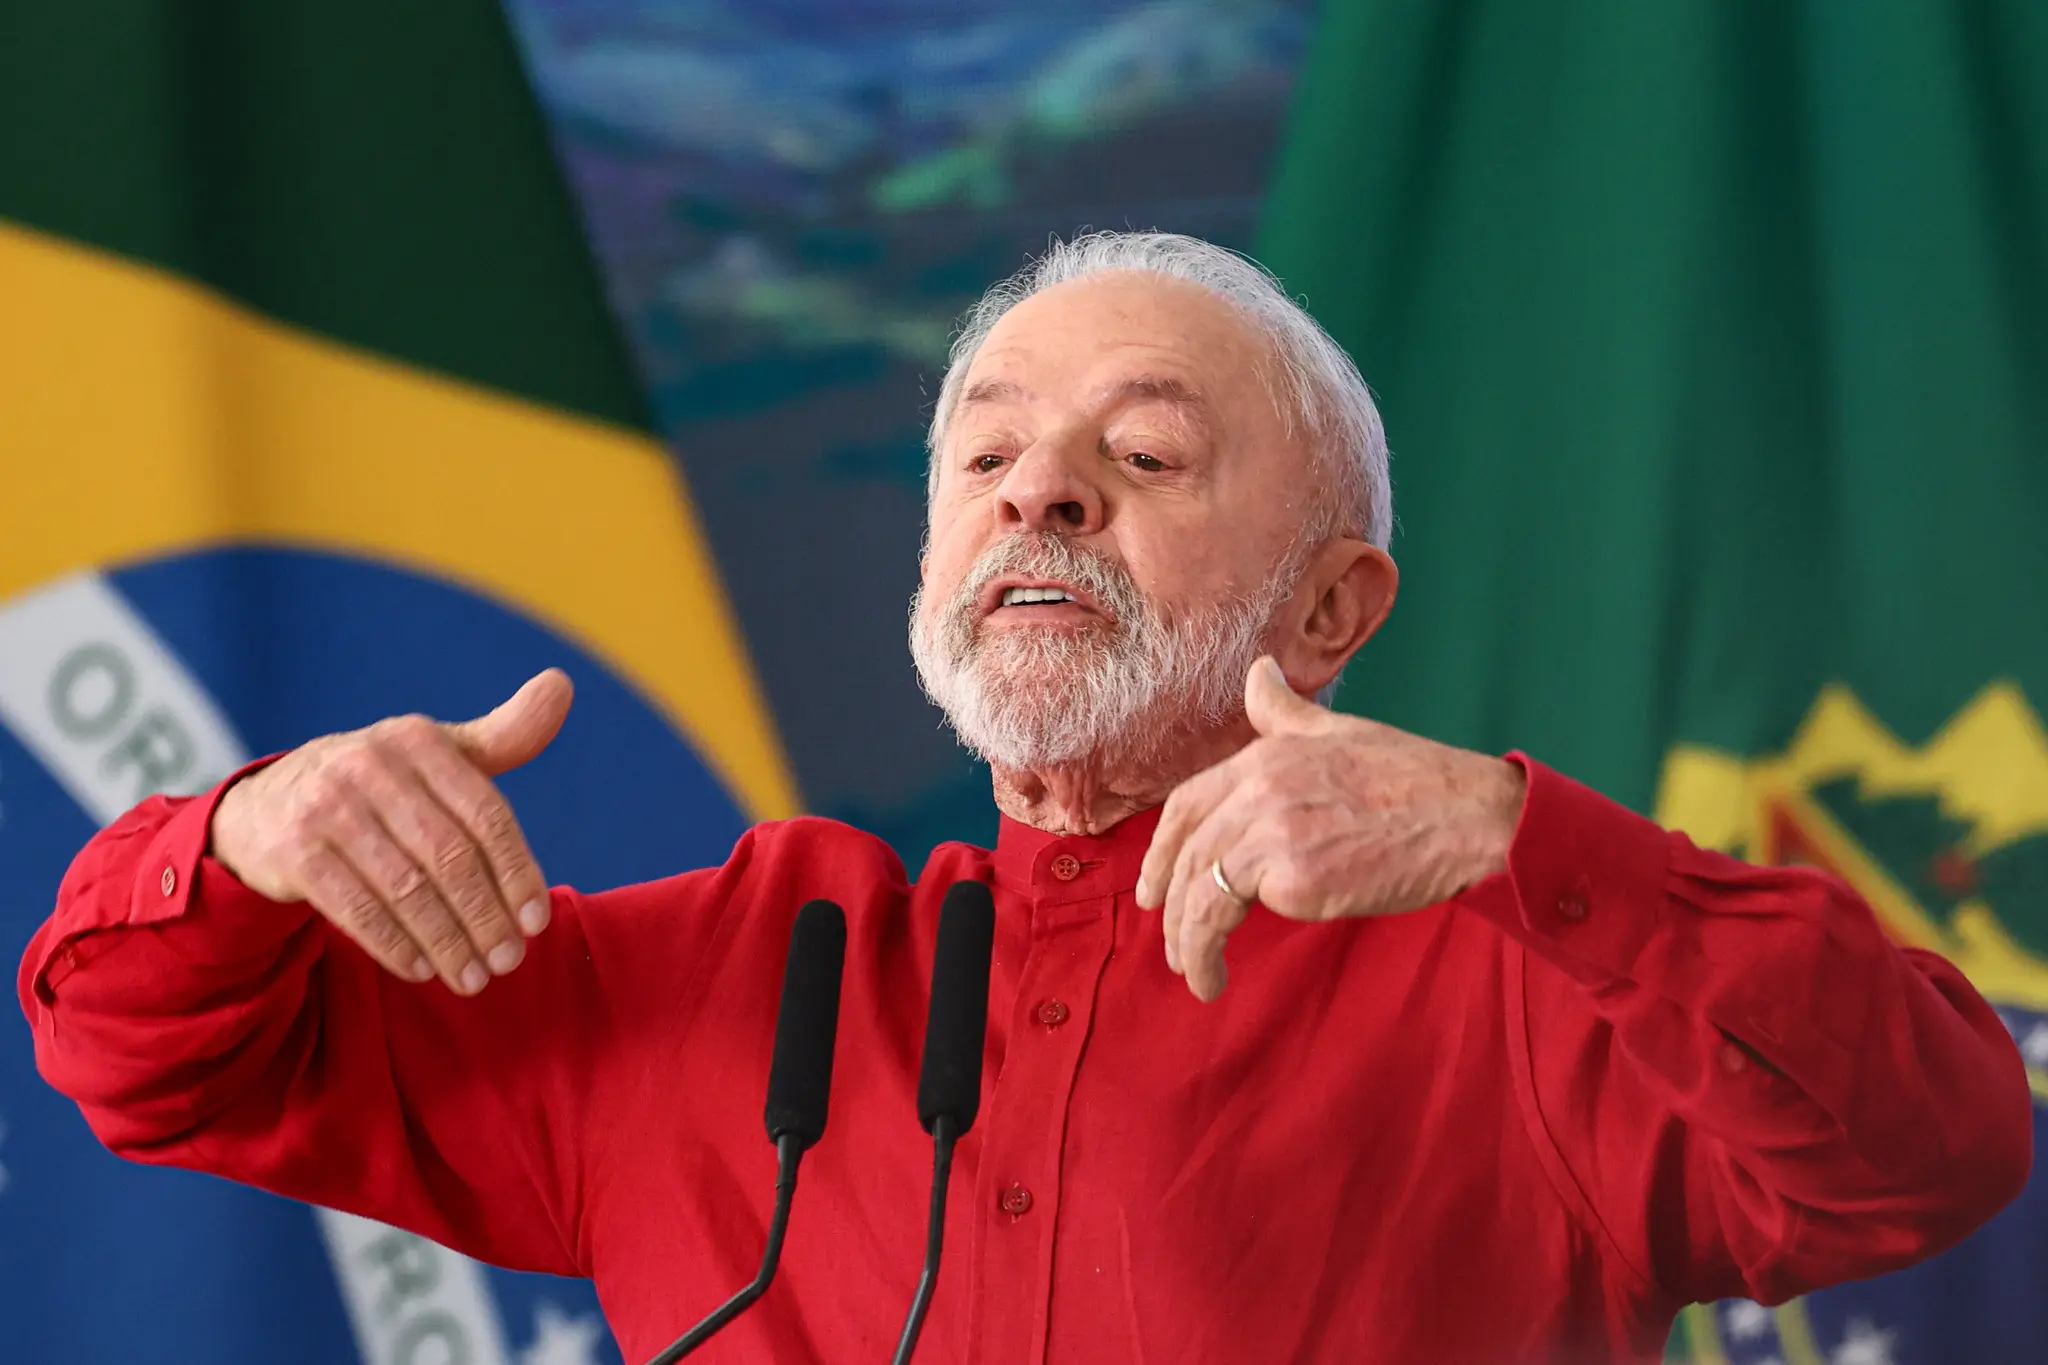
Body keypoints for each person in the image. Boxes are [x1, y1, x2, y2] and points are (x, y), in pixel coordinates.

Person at [19, 232, 2032, 1365]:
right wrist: (246, 837)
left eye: (1142, 458)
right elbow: (145, 1055)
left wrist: (1532, 846)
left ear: (1331, 605)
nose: (1036, 493)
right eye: (983, 457)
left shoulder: (1513, 983)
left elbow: (1929, 1152)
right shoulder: (737, 968)